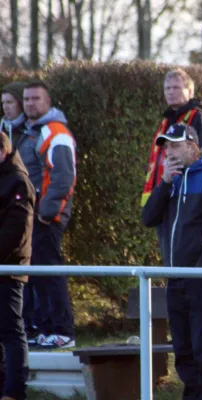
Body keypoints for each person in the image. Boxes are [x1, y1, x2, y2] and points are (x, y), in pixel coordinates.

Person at [141, 124, 202, 400]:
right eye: (166, 146)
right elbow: (148, 218)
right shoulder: (171, 181)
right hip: (174, 280)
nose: (169, 152)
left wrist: (200, 269)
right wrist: (165, 183)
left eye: (175, 145)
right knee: (182, 352)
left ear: (192, 147)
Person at [22, 81, 76, 349]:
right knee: (39, 274)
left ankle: (62, 330)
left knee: (51, 272)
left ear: (48, 102)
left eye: (35, 98)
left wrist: (47, 212)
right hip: (36, 216)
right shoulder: (36, 131)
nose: (30, 103)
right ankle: (45, 328)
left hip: (47, 217)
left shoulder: (56, 132)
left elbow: (64, 175)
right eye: (27, 99)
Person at [141, 68, 202, 207]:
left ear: (190, 92)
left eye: (176, 87)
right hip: (166, 194)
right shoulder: (166, 121)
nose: (171, 91)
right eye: (167, 88)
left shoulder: (199, 119)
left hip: (188, 196)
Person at [0, 132, 35, 400]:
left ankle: (14, 393)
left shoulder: (18, 181)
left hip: (9, 269)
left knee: (11, 331)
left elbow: (16, 231)